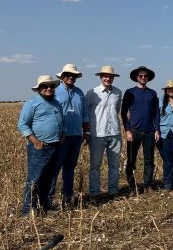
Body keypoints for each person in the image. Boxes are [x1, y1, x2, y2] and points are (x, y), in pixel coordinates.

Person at [18, 75, 64, 216]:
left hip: (55, 146)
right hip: (40, 148)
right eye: (45, 86)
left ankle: (45, 207)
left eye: (51, 86)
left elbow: (62, 121)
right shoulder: (32, 104)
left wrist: (63, 134)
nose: (48, 88)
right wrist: (35, 141)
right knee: (34, 180)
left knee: (49, 179)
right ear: (39, 89)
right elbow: (22, 124)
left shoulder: (56, 103)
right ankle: (27, 212)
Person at [49, 64, 90, 207]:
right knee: (55, 167)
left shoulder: (79, 93)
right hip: (61, 137)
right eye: (68, 75)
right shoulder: (54, 92)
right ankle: (49, 199)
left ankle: (67, 197)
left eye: (73, 75)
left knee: (70, 167)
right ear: (62, 77)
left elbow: (85, 113)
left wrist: (86, 132)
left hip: (76, 136)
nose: (71, 77)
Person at [121, 66, 160, 193]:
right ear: (136, 78)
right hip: (134, 131)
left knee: (149, 160)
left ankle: (148, 185)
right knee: (131, 160)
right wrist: (127, 130)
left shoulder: (152, 93)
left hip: (149, 131)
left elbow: (156, 113)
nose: (143, 78)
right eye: (140, 76)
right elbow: (123, 112)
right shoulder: (130, 92)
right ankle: (132, 186)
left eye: (145, 76)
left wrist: (157, 129)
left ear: (148, 78)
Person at [85, 65, 123, 197]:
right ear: (101, 77)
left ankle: (113, 190)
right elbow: (86, 113)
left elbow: (117, 110)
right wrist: (87, 132)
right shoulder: (92, 93)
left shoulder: (118, 92)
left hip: (115, 133)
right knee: (95, 166)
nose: (108, 78)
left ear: (113, 78)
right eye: (105, 76)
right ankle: (95, 192)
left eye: (110, 77)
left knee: (115, 164)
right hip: (97, 134)